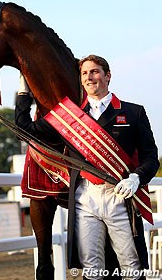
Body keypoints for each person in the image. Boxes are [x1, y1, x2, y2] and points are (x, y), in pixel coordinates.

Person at [15, 55, 160, 280]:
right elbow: (25, 128)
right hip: (85, 199)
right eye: (84, 73)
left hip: (120, 197)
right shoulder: (68, 117)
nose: (89, 77)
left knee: (132, 266)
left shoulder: (133, 112)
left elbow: (151, 158)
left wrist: (136, 178)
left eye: (95, 71)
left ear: (107, 76)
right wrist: (24, 94)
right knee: (91, 269)